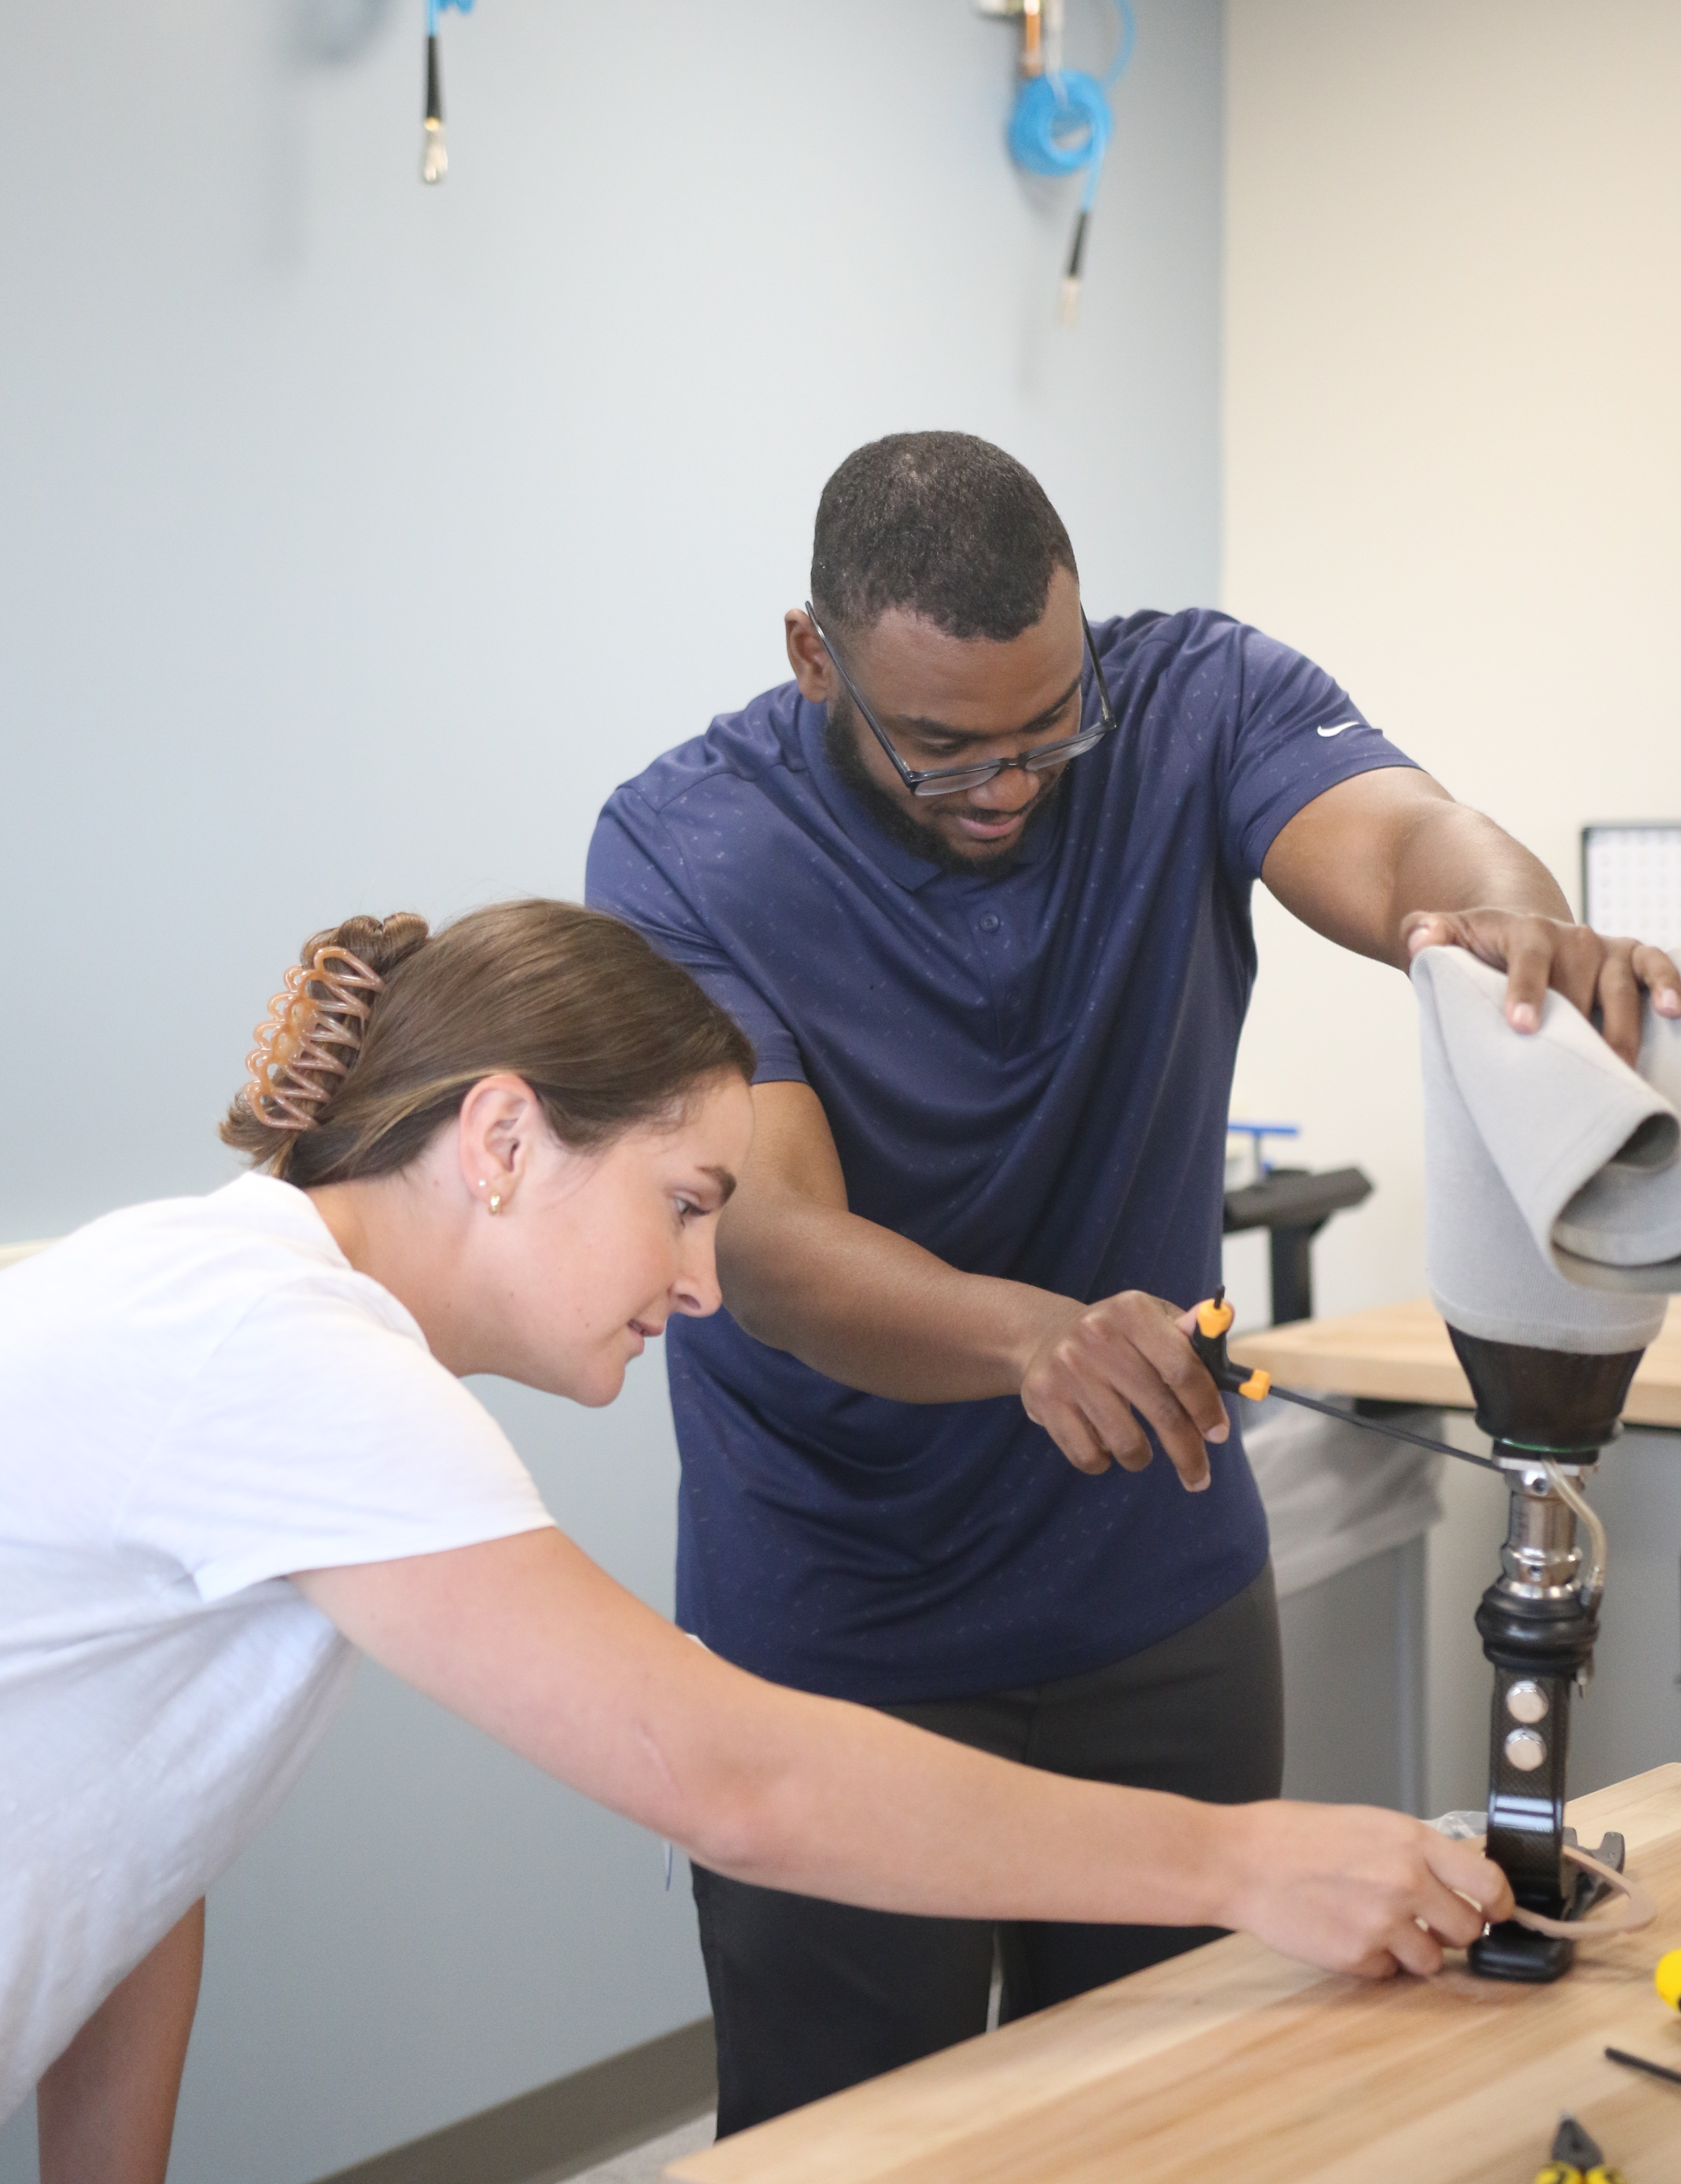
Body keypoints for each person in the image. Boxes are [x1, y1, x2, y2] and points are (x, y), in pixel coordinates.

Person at [0, 898, 1510, 2184]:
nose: (707, 1285)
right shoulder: (281, 1355)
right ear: (504, 1138)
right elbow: (733, 1780)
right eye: (685, 1206)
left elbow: (150, 1827)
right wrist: (1249, 1864)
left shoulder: (225, 1305)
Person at [587, 431, 1681, 2133]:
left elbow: (1410, 856)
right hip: (839, 1627)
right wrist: (1038, 1339)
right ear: (816, 660)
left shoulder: (1198, 701)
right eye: (944, 749)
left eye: (1049, 728)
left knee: (1187, 2117)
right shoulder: (683, 848)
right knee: (868, 2143)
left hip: (1157, 1608)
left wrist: (1515, 924)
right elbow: (771, 1240)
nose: (1012, 786)